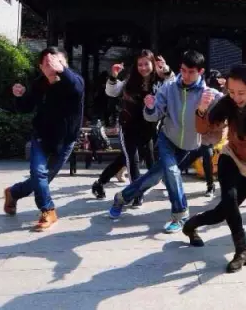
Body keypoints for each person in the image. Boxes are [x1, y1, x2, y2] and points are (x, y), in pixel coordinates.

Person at [182, 64, 246, 273]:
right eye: (231, 92)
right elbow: (203, 128)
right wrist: (201, 110)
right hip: (231, 156)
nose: (236, 97)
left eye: (241, 93)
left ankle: (190, 225)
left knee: (221, 213)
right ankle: (242, 251)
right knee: (230, 200)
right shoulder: (227, 103)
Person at [109, 50, 222, 234]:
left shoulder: (209, 94)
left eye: (191, 72)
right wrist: (150, 107)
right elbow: (153, 116)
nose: (186, 76)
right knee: (171, 171)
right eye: (183, 70)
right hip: (167, 138)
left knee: (154, 177)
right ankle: (180, 214)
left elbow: (230, 109)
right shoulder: (169, 88)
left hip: (189, 145)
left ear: (200, 72)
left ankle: (121, 197)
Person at [3, 47, 84, 231]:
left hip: (65, 140)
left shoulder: (74, 81)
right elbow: (25, 107)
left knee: (44, 178)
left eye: (58, 61)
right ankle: (48, 210)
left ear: (66, 64)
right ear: (41, 67)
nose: (53, 65)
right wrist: (19, 96)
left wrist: (62, 71)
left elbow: (77, 87)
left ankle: (13, 192)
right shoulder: (38, 84)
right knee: (39, 173)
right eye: (47, 63)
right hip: (41, 136)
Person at [91, 51, 173, 204]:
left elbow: (173, 86)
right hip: (128, 127)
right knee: (133, 161)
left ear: (153, 64)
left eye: (146, 64)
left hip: (148, 129)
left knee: (125, 159)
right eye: (140, 64)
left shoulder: (159, 81)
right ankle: (136, 194)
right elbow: (112, 92)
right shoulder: (130, 81)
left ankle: (100, 183)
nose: (143, 67)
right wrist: (113, 76)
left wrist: (166, 70)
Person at [178, 69, 227, 197]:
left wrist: (226, 86)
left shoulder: (220, 95)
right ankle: (173, 176)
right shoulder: (200, 92)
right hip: (201, 131)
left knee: (203, 153)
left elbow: (229, 105)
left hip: (214, 133)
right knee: (197, 154)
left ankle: (210, 186)